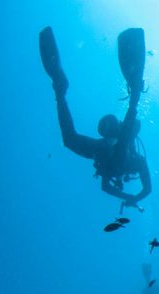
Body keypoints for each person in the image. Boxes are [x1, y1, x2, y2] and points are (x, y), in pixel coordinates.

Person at [39, 26, 151, 210]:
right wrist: (132, 197)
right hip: (109, 151)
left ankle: (60, 90)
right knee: (117, 143)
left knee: (69, 140)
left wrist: (129, 197)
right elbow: (146, 189)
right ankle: (135, 92)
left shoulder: (129, 158)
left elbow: (106, 187)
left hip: (105, 152)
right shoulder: (135, 159)